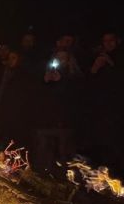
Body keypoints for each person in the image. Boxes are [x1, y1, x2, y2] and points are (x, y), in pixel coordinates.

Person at [34, 49, 81, 176]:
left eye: (63, 58)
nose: (60, 61)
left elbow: (73, 99)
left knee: (63, 154)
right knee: (43, 151)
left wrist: (62, 81)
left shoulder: (73, 77)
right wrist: (45, 82)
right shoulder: (47, 74)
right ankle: (41, 179)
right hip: (46, 121)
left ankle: (62, 181)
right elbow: (38, 97)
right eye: (58, 58)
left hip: (64, 122)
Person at [85, 32, 123, 171]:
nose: (108, 43)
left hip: (118, 106)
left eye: (111, 40)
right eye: (105, 41)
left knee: (116, 138)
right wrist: (95, 68)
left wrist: (110, 62)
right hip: (101, 106)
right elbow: (89, 80)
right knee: (102, 136)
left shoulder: (119, 56)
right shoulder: (96, 57)